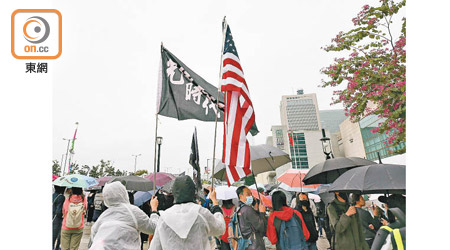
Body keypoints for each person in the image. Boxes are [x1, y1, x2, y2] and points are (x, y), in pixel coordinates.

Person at [149, 175, 225, 250]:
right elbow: (220, 229)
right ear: (194, 192)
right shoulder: (202, 213)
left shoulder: (164, 218)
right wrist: (215, 203)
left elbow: (155, 247)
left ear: (174, 192)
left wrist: (154, 210)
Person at [89, 181, 159, 250]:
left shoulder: (104, 216)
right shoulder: (132, 212)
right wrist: (154, 210)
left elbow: (93, 239)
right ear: (123, 193)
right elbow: (153, 228)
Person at [52, 185, 66, 250]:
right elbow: (59, 211)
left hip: (52, 216)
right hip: (57, 218)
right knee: (57, 234)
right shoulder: (61, 197)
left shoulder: (53, 195)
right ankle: (57, 247)